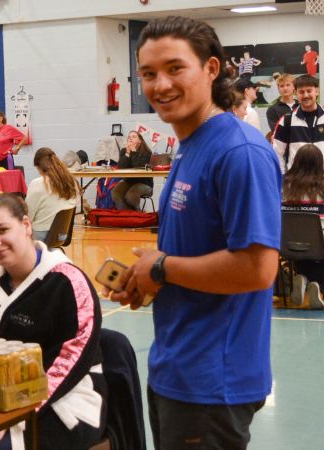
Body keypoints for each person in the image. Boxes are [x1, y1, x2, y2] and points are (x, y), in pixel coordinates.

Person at [112, 16, 280, 450]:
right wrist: (149, 277)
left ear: (211, 69)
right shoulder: (191, 145)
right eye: (148, 74)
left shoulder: (239, 151)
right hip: (178, 366)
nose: (160, 84)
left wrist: (163, 268)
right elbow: (196, 251)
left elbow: (258, 268)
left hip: (213, 379)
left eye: (174, 68)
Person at [0, 194, 105, 450]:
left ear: (26, 225)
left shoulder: (68, 282)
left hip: (61, 398)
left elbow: (70, 361)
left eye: (3, 230)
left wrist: (17, 413)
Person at [281, 144, 324, 308]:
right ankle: (317, 285)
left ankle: (303, 278)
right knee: (317, 244)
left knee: (303, 242)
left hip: (288, 244)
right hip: (319, 244)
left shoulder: (284, 185)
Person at [272, 74, 324, 173]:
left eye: (309, 91)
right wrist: (283, 176)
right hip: (296, 183)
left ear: (316, 91)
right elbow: (276, 152)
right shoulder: (287, 120)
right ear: (296, 93)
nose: (305, 95)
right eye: (301, 92)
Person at [26, 147, 79, 242]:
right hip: (63, 234)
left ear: (39, 167)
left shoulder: (37, 183)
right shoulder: (72, 181)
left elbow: (28, 216)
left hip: (42, 236)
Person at [111, 131, 153, 210]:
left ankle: (136, 215)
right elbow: (120, 167)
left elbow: (138, 167)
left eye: (134, 137)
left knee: (130, 196)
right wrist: (127, 153)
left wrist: (133, 151)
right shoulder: (124, 151)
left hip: (144, 183)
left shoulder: (147, 152)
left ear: (140, 141)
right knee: (115, 193)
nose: (131, 139)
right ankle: (125, 214)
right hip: (128, 181)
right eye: (129, 137)